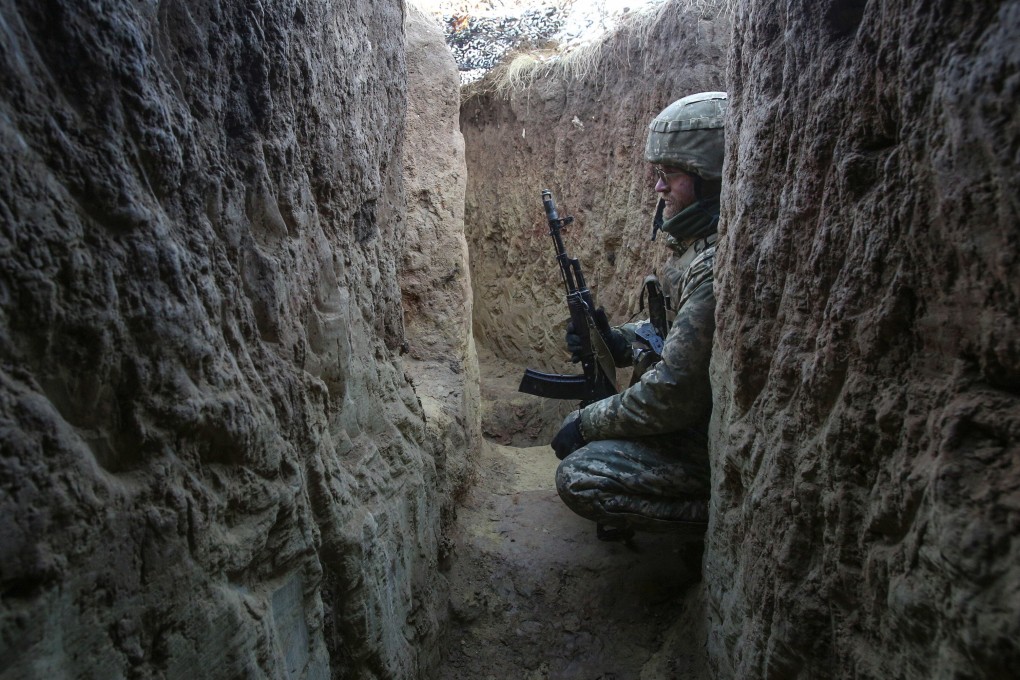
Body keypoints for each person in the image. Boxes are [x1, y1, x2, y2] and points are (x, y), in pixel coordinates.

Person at [550, 91, 727, 541]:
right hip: (690, 422)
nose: (659, 188)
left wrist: (587, 423)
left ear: (709, 180)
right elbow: (669, 335)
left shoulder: (713, 267)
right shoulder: (694, 250)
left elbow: (673, 394)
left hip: (700, 438)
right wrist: (618, 340)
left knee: (580, 476)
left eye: (669, 176)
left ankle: (718, 518)